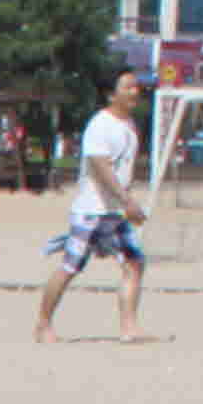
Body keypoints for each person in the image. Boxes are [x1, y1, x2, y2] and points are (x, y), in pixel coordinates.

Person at [37, 66, 152, 344]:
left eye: (136, 87)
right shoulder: (100, 125)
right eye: (128, 87)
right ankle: (43, 324)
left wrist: (127, 202)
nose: (135, 92)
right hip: (91, 211)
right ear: (111, 94)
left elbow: (124, 170)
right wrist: (127, 202)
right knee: (70, 267)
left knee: (134, 263)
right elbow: (101, 168)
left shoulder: (130, 125)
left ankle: (129, 327)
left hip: (115, 212)